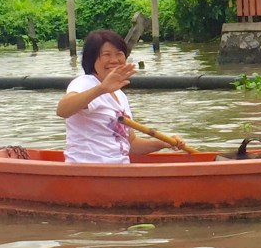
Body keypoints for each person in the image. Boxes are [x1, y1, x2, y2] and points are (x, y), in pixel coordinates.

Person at [56, 29, 184, 163]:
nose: (114, 60)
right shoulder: (85, 83)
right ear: (92, 58)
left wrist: (164, 143)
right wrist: (101, 89)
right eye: (106, 54)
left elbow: (131, 144)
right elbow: (63, 110)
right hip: (90, 170)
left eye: (119, 54)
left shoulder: (120, 95)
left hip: (118, 169)